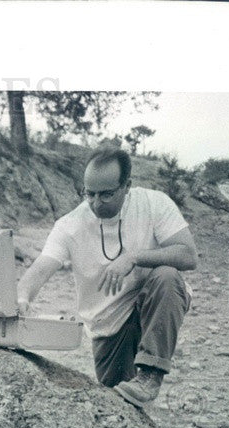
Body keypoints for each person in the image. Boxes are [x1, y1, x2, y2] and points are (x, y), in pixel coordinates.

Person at [17, 146, 197, 408]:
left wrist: (134, 257)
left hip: (152, 305)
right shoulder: (69, 225)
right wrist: (22, 297)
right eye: (89, 194)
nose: (96, 203)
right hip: (108, 326)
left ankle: (150, 374)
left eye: (107, 195)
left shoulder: (154, 203)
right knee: (117, 404)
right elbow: (41, 267)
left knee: (167, 278)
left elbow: (188, 255)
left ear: (127, 186)